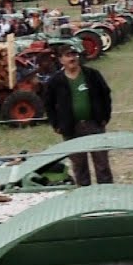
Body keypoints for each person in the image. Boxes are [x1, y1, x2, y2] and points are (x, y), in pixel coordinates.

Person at [43, 45, 114, 186]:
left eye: (74, 54)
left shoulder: (92, 75)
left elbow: (106, 95)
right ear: (61, 60)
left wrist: (104, 117)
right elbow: (48, 104)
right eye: (68, 55)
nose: (72, 58)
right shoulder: (55, 81)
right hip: (71, 128)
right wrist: (56, 124)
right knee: (79, 165)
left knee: (102, 163)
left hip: (94, 124)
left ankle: (106, 192)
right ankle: (84, 193)